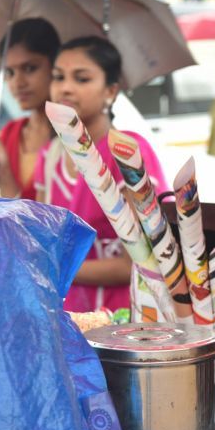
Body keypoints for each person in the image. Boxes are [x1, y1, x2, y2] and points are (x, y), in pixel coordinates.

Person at [34, 36, 169, 312]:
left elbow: (137, 261)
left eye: (82, 79)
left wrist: (53, 266)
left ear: (111, 91)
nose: (66, 88)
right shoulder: (49, 157)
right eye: (59, 77)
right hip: (67, 317)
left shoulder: (126, 153)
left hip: (126, 319)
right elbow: (41, 239)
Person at [0, 18, 60, 199]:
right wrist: (0, 175)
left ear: (55, 66)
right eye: (10, 73)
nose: (17, 83)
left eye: (29, 68)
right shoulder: (9, 134)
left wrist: (6, 179)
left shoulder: (77, 138)